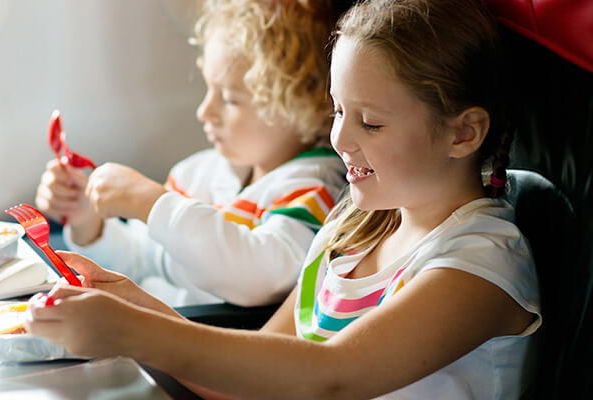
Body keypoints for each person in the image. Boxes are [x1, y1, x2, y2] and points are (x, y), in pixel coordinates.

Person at [27, 0, 542, 398]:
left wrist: (135, 332)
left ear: (463, 134)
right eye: (338, 111)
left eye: (371, 121)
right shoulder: (354, 229)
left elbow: (328, 378)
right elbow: (263, 370)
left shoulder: (479, 264)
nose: (340, 139)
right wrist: (126, 299)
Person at [35, 0, 346, 307]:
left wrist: (151, 203)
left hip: (200, 342)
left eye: (229, 99)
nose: (204, 111)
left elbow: (258, 278)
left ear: (307, 105)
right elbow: (141, 261)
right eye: (209, 90)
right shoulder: (201, 174)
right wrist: (87, 220)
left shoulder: (315, 190)